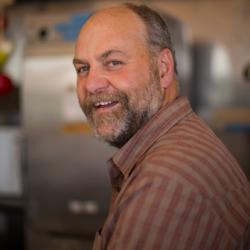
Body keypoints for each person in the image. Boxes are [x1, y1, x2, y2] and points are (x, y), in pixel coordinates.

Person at [73, 3, 250, 250]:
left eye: (113, 62)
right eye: (83, 68)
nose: (91, 84)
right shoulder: (182, 140)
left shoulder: (164, 182)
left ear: (163, 68)